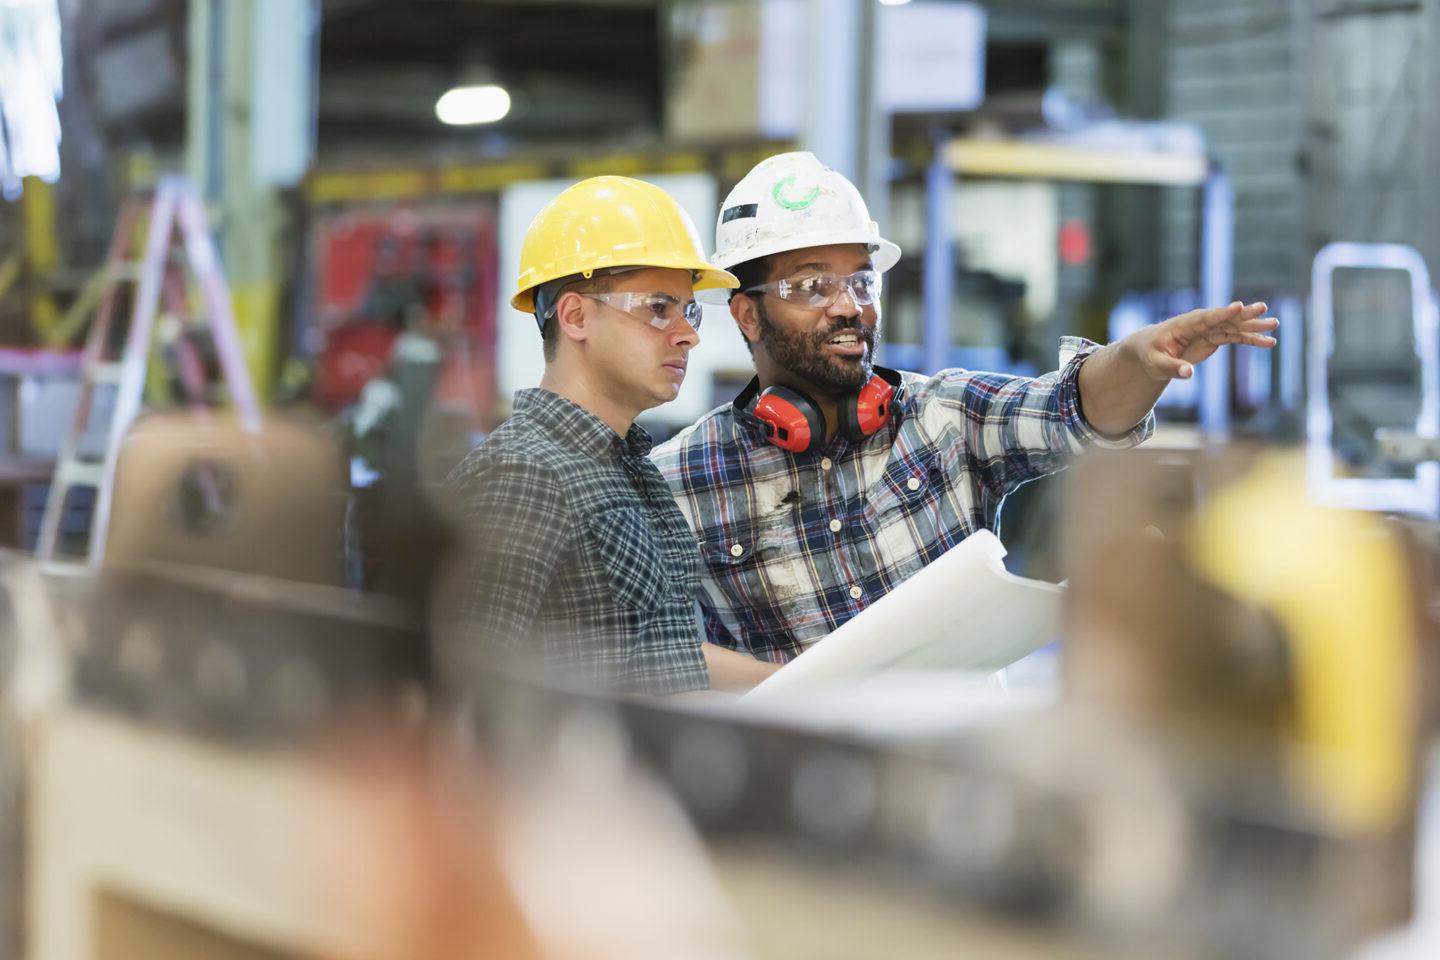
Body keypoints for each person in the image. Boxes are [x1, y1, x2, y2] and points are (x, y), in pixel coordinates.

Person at [651, 151, 1277, 672]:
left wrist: (1140, 359)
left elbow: (1073, 407)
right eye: (813, 286)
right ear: (746, 314)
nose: (849, 307)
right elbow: (656, 656)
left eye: (862, 281)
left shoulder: (944, 416)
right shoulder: (679, 480)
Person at [439, 175, 739, 696]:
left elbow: (666, 657)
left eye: (688, 311)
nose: (688, 332)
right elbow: (456, 682)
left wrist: (819, 689)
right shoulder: (522, 475)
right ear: (576, 316)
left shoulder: (630, 471)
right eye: (658, 307)